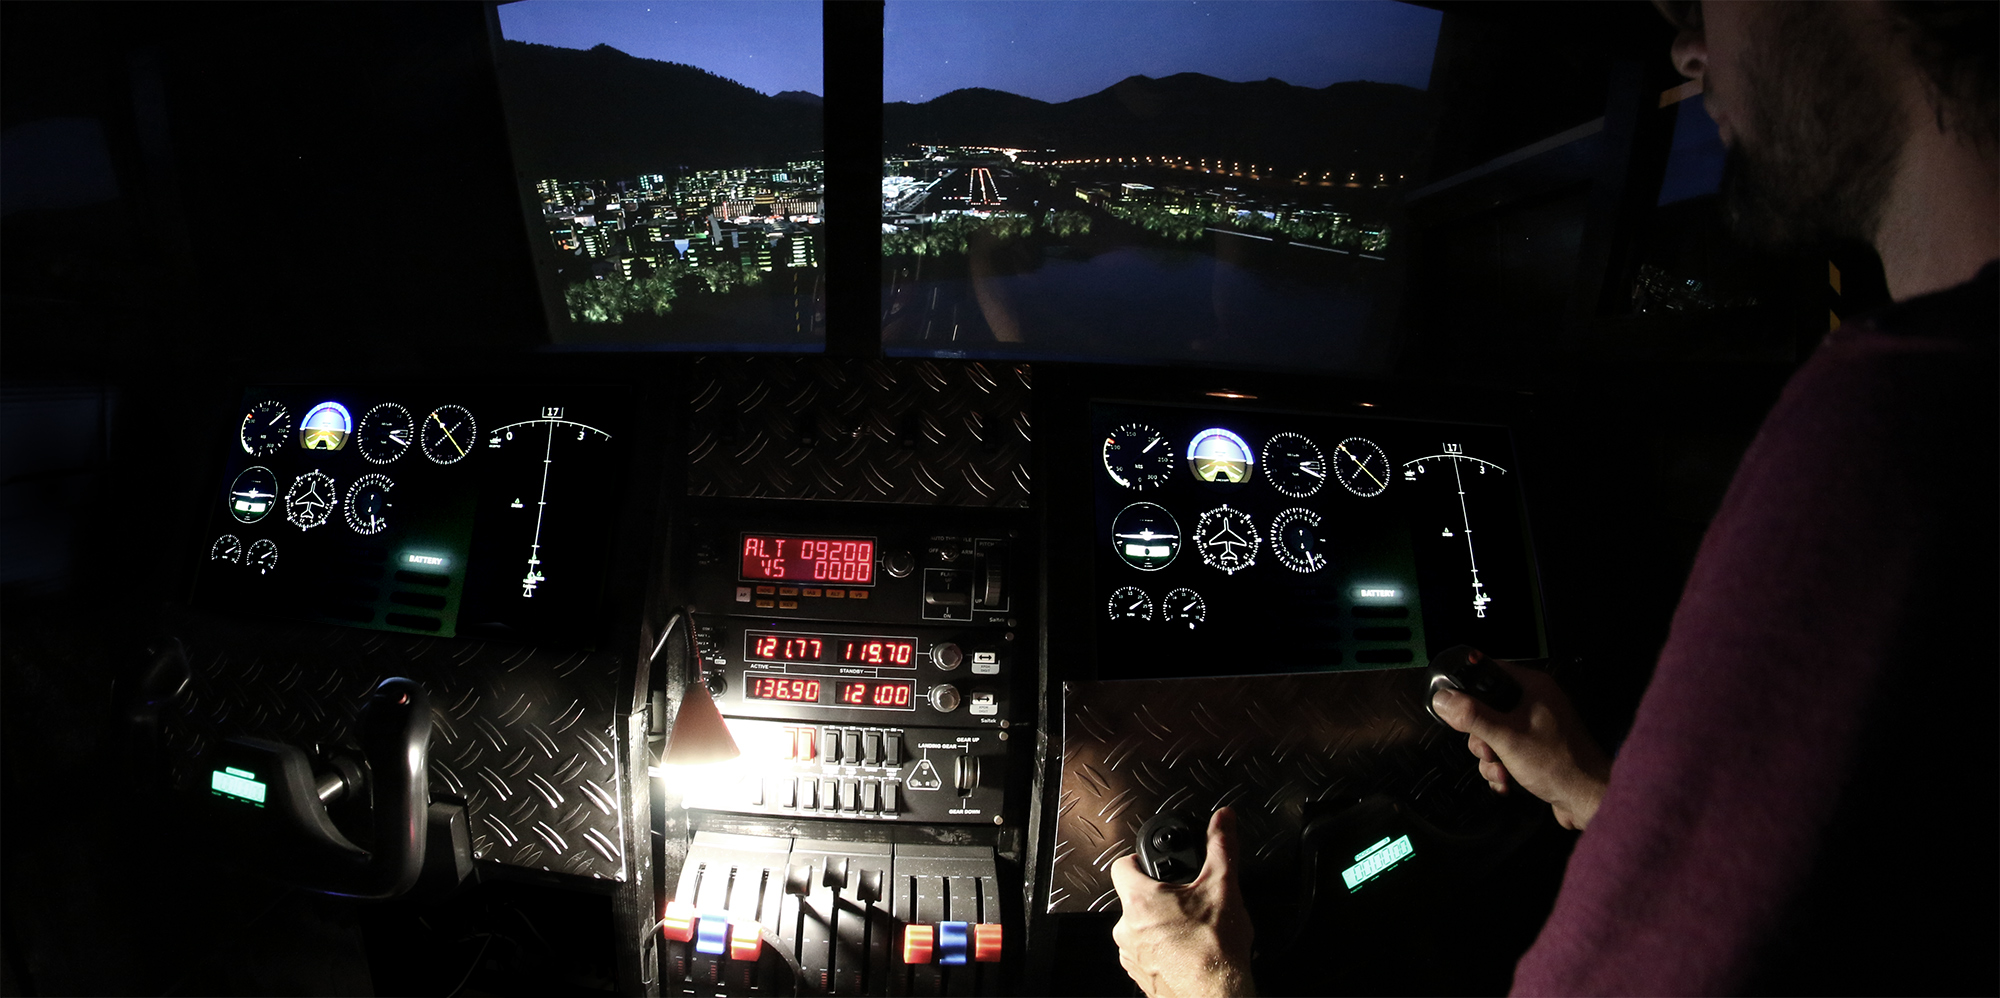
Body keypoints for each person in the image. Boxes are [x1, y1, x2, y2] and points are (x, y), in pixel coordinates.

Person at [1109, 2, 1997, 994]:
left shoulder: (1890, 424)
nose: (1685, 45)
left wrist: (1205, 983)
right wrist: (1594, 790)